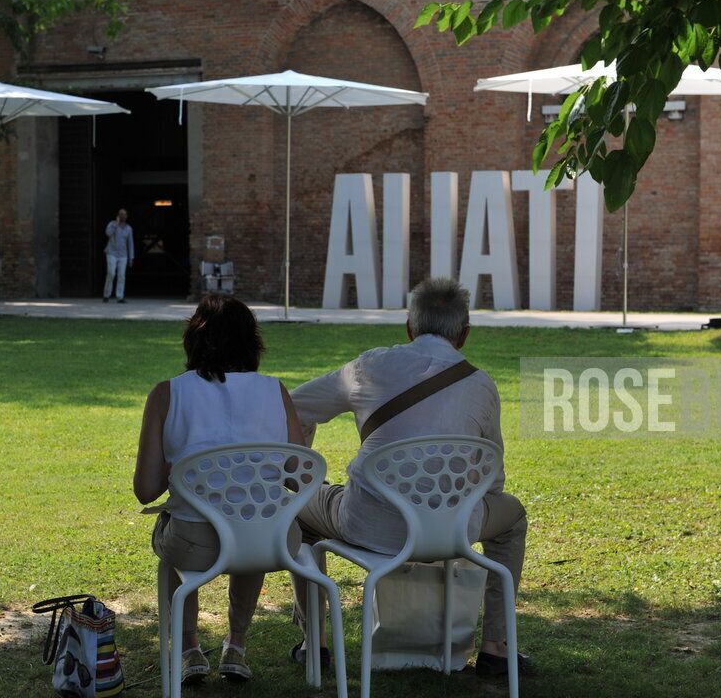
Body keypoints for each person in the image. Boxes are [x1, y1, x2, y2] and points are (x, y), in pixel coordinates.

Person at [288, 277, 528, 679]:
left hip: (368, 524)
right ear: (464, 334)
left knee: (299, 512)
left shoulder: (369, 367)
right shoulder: (481, 384)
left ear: (409, 327)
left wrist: (302, 471)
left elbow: (293, 408)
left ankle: (316, 642)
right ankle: (495, 647)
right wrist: (465, 510)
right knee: (512, 518)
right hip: (453, 527)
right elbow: (493, 474)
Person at [133, 294, 304, 685]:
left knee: (173, 522)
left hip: (195, 544)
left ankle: (190, 645)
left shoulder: (166, 393)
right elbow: (296, 475)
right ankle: (236, 645)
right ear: (252, 343)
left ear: (193, 339)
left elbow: (145, 490)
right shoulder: (275, 391)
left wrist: (177, 470)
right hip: (270, 541)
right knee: (253, 511)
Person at [103, 209, 134, 303]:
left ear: (126, 216)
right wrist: (116, 224)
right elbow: (108, 233)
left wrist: (131, 257)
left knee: (121, 276)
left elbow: (130, 243)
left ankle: (120, 297)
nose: (122, 216)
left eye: (124, 214)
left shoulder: (128, 228)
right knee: (111, 273)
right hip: (111, 252)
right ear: (118, 215)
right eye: (121, 214)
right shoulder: (112, 224)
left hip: (123, 255)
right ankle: (106, 294)